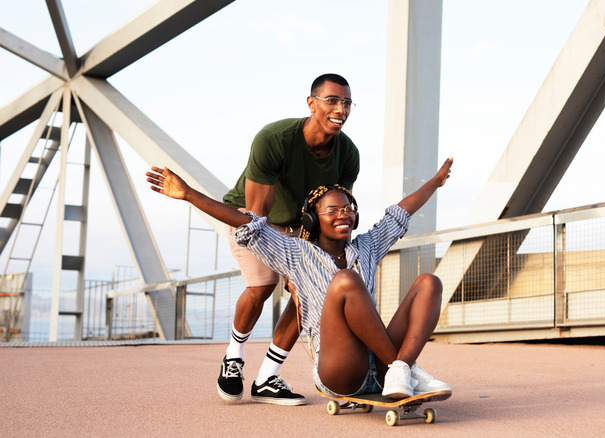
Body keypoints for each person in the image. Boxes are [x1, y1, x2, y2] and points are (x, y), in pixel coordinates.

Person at [145, 157, 454, 399]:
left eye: (348, 209)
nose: (343, 215)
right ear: (311, 218)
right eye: (333, 210)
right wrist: (188, 194)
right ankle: (406, 371)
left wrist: (436, 183)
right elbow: (247, 222)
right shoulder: (295, 253)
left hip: (381, 364)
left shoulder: (367, 247)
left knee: (429, 282)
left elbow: (400, 213)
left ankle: (400, 369)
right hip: (341, 370)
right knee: (346, 282)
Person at [218, 73, 360, 405]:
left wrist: (307, 275)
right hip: (250, 217)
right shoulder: (274, 139)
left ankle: (267, 376)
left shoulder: (348, 154)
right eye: (332, 100)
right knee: (262, 286)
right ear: (311, 103)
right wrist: (286, 267)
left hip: (301, 225)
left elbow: (337, 210)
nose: (341, 108)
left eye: (347, 103)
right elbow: (257, 216)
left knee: (306, 294)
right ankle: (234, 356)